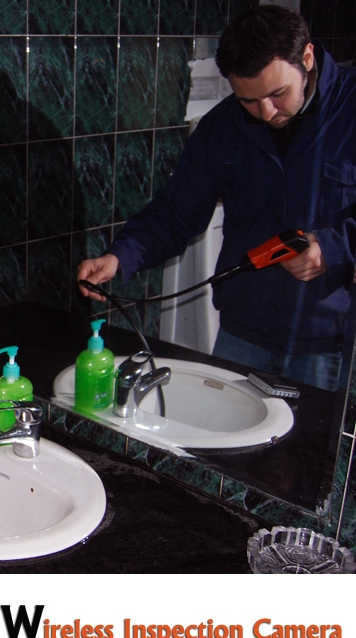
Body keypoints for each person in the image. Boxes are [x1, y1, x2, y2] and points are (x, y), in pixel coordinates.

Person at [77, 5, 356, 392]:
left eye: (278, 94)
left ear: (307, 57)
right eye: (248, 100)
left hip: (330, 342)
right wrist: (120, 257)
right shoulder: (221, 126)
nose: (266, 112)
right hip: (242, 334)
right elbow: (176, 212)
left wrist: (332, 249)